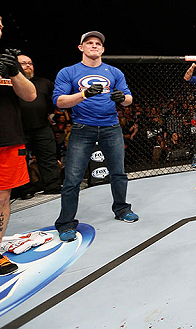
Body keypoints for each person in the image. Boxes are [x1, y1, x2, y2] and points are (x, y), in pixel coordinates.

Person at [52, 31, 138, 243]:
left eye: (98, 43)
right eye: (89, 43)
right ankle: (65, 223)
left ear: (103, 49)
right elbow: (59, 101)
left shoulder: (114, 71)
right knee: (72, 179)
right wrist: (83, 94)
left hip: (111, 126)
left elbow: (128, 99)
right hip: (82, 128)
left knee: (119, 172)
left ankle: (121, 209)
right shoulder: (68, 72)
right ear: (81, 47)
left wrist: (122, 98)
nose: (94, 46)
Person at [0, 13, 37, 275]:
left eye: (0, 26)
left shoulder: (5, 60)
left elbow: (30, 94)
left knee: (1, 196)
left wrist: (13, 71)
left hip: (6, 137)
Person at [17, 55, 62, 196]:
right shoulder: (9, 82)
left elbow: (59, 95)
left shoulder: (43, 82)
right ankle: (25, 190)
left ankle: (53, 186)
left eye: (30, 63)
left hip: (42, 126)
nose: (28, 66)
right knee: (21, 161)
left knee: (48, 157)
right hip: (18, 129)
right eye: (23, 63)